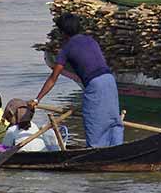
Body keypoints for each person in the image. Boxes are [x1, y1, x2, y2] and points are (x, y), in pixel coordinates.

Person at [33, 13, 124, 147]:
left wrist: (37, 99)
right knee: (112, 120)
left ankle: (96, 152)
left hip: (95, 84)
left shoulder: (66, 49)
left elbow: (53, 79)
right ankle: (117, 147)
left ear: (62, 32)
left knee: (94, 123)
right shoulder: (90, 40)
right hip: (109, 80)